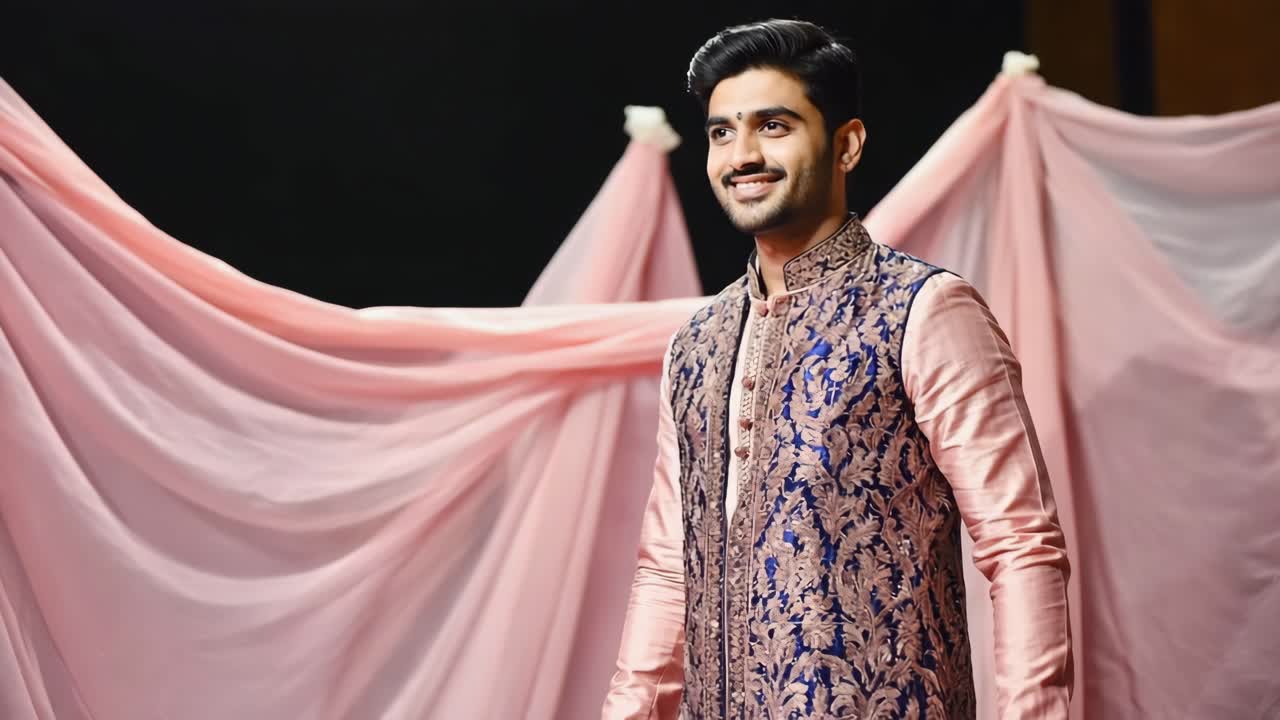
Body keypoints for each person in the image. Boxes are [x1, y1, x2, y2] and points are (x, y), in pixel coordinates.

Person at [600, 18, 1073, 720]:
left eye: (774, 126)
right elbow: (669, 567)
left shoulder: (924, 311)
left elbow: (1020, 546)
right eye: (722, 132)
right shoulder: (697, 344)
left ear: (845, 144)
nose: (743, 154)